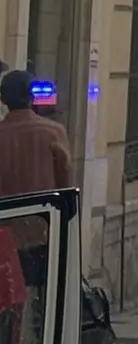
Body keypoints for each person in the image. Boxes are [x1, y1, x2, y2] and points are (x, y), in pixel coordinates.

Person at [0, 70, 72, 340]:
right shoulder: (53, 132)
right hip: (43, 235)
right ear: (31, 97)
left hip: (5, 237)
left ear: (3, 99)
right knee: (45, 304)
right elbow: (65, 182)